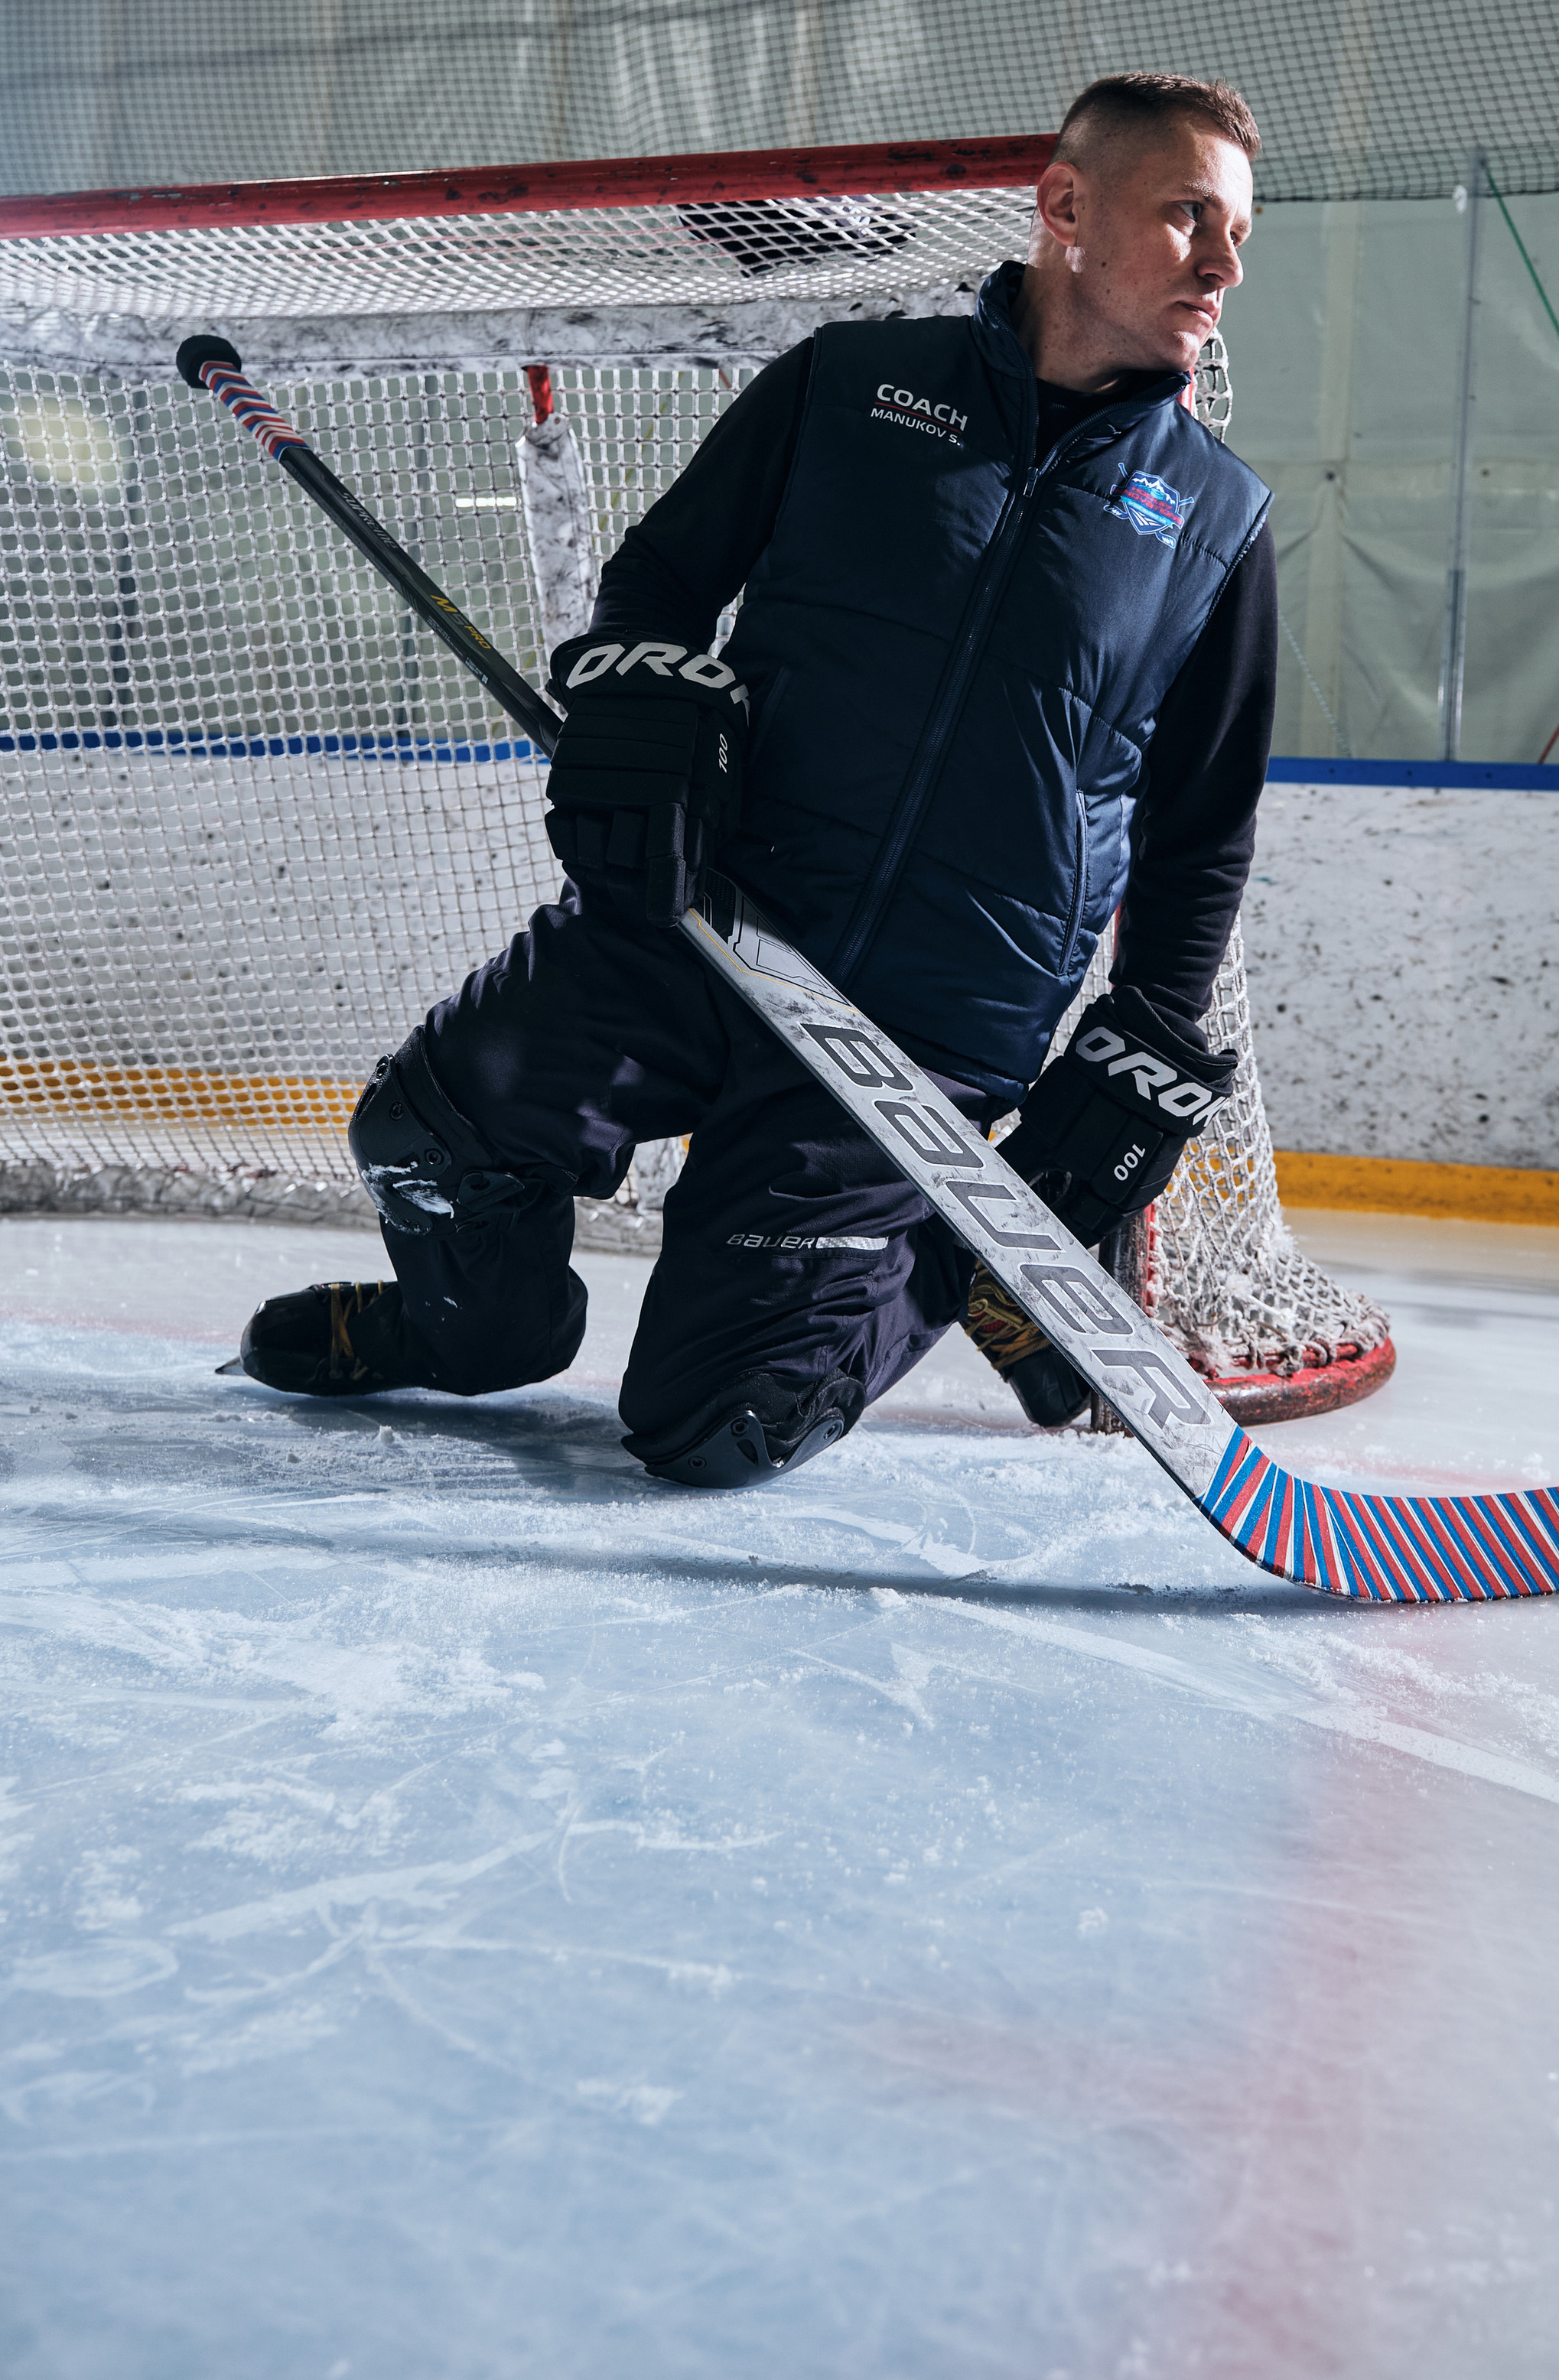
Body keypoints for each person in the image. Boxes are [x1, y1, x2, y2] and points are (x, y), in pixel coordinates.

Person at [237, 72, 1279, 1487]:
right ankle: (474, 1334)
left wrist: (1153, 1024)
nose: (1223, 265)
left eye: (1238, 234)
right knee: (426, 1133)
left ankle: (949, 1246)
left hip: (909, 1032)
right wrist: (637, 716)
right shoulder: (847, 387)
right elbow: (660, 584)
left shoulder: (1214, 519)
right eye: (1187, 217)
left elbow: (1202, 821)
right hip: (704, 918)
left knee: (715, 1428)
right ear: (1065, 210)